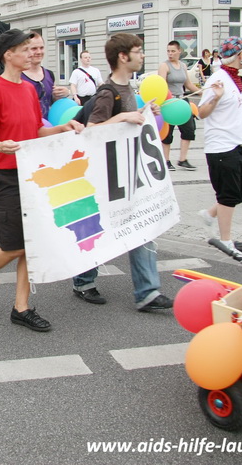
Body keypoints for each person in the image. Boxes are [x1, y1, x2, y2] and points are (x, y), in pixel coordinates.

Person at [0, 30, 84, 332]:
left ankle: (21, 308)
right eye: (24, 49)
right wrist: (0, 146)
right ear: (8, 55)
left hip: (31, 174)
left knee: (29, 244)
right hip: (5, 176)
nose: (30, 54)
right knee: (13, 245)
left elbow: (37, 131)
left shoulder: (28, 91)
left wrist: (63, 128)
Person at [71, 33, 174, 312]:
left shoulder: (127, 88)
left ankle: (147, 292)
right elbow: (92, 130)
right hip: (106, 174)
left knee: (141, 226)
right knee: (97, 228)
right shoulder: (108, 92)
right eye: (138, 51)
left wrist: (144, 112)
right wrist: (124, 116)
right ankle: (83, 281)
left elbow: (125, 126)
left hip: (125, 173)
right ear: (123, 56)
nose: (142, 56)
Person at [196, 38, 242, 249]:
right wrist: (216, 98)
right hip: (222, 147)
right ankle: (226, 240)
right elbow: (201, 112)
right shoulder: (218, 80)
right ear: (238, 55)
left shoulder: (236, 79)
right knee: (228, 196)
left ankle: (210, 213)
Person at [157, 40, 200, 171]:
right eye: (168, 51)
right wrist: (167, 99)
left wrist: (202, 92)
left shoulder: (183, 66)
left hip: (182, 102)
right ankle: (166, 160)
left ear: (179, 51)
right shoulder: (164, 66)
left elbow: (188, 84)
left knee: (189, 129)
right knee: (167, 133)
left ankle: (183, 159)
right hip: (169, 102)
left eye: (173, 51)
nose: (170, 54)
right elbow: (161, 85)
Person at [21, 34, 68, 119]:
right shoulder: (18, 76)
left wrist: (63, 94)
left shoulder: (49, 74)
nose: (39, 52)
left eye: (41, 48)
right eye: (34, 48)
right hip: (26, 125)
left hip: (48, 125)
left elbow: (51, 102)